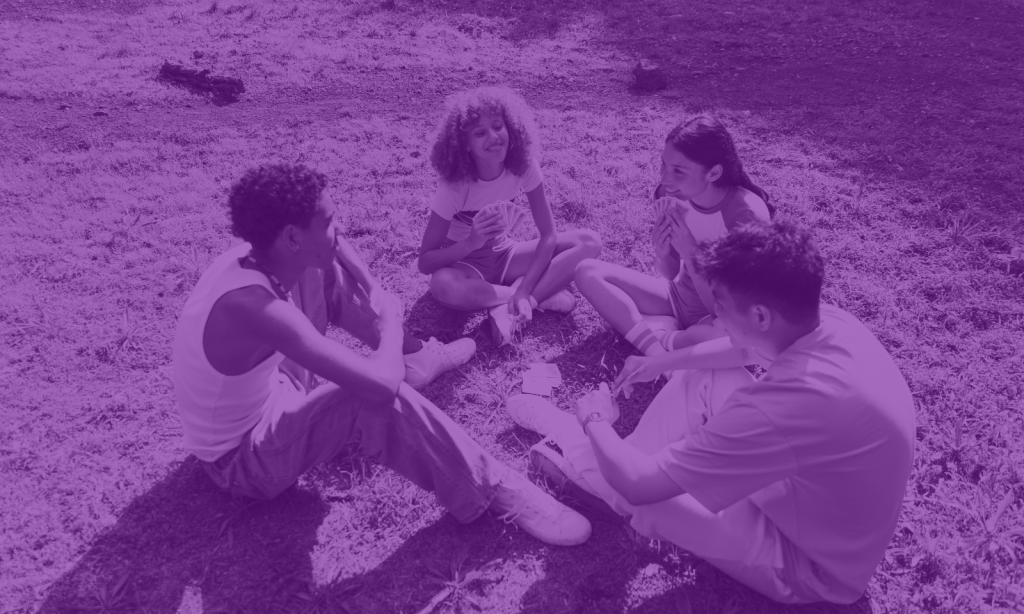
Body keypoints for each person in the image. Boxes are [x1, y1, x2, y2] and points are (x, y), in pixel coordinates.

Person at [170, 164, 591, 546]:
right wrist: (389, 324)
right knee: (373, 396)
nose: (337, 230)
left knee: (324, 272)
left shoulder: (262, 255)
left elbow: (335, 248)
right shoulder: (254, 308)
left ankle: (418, 359)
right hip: (245, 460)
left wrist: (373, 288)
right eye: (329, 222)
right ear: (293, 236)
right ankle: (497, 488)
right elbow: (379, 388)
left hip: (276, 390)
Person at [505, 221, 915, 602]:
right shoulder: (830, 324)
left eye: (721, 305)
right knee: (701, 373)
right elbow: (743, 347)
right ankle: (602, 466)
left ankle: (575, 445)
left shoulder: (783, 406)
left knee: (643, 496)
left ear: (759, 315)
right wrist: (660, 362)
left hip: (809, 568)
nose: (715, 315)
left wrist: (594, 419)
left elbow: (639, 484)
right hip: (812, 504)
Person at [574, 113, 772, 357]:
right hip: (676, 298)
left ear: (713, 173)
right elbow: (670, 273)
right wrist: (662, 252)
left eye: (678, 170)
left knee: (732, 337)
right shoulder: (671, 197)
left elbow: (725, 311)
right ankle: (657, 349)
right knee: (587, 271)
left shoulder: (747, 216)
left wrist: (692, 253)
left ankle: (661, 336)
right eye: (664, 164)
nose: (665, 178)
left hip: (719, 315)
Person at [418, 86, 602, 345]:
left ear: (510, 127)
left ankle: (524, 297)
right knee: (443, 286)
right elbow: (425, 263)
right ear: (465, 145)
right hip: (464, 264)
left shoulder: (523, 166)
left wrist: (525, 289)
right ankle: (525, 297)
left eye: (498, 126)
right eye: (480, 133)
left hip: (506, 254)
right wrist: (470, 243)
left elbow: (549, 234)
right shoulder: (454, 186)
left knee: (589, 242)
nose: (493, 137)